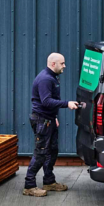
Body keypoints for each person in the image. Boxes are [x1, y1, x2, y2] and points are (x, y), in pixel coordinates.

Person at [24, 53, 80, 197]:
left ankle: (49, 182)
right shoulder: (45, 79)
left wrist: (53, 116)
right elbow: (46, 101)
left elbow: (49, 102)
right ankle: (29, 185)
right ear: (53, 64)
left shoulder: (52, 77)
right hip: (42, 121)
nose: (65, 66)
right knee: (41, 152)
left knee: (52, 151)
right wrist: (67, 104)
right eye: (62, 63)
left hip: (48, 119)